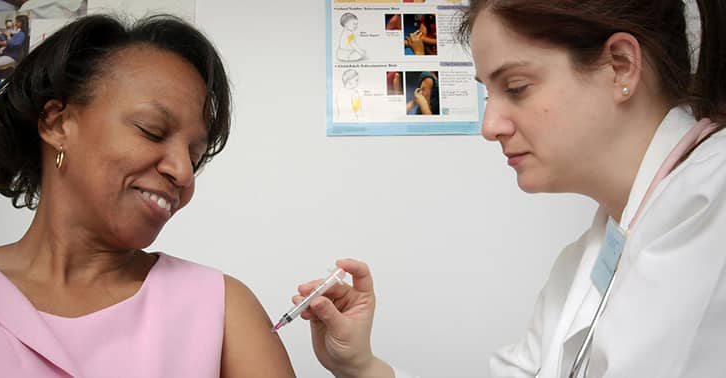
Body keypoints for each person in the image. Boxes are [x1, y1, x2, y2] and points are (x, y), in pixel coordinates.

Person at [294, 0, 726, 377]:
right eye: (488, 95)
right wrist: (360, 365)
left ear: (620, 65)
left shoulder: (712, 196)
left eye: (516, 88)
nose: (489, 127)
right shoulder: (587, 255)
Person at [0, 14, 295, 377]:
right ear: (58, 124)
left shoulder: (223, 309)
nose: (183, 173)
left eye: (194, 158)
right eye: (152, 131)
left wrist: (355, 366)